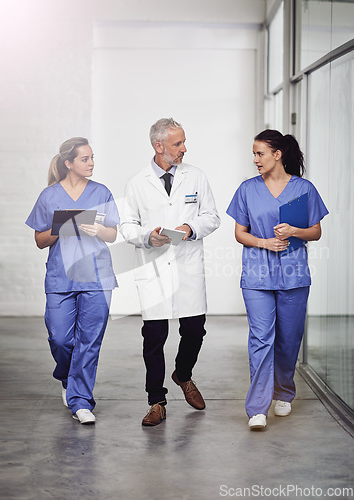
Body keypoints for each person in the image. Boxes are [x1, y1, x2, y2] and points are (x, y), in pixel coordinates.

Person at [119, 118, 220, 426]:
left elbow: (212, 217)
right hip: (154, 269)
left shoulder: (196, 177)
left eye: (183, 142)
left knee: (194, 330)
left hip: (187, 266)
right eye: (177, 144)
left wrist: (191, 227)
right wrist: (147, 237)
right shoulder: (137, 182)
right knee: (154, 337)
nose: (184, 149)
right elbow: (127, 227)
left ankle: (183, 374)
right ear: (158, 146)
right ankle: (156, 402)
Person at [226, 129, 328, 431]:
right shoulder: (247, 189)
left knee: (287, 339)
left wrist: (294, 232)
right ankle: (257, 407)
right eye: (254, 154)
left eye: (260, 153)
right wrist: (264, 243)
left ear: (277, 154)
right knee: (260, 339)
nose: (255, 159)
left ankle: (283, 392)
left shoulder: (304, 189)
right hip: (257, 275)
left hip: (294, 275)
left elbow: (316, 231)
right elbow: (239, 233)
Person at [26, 137, 119, 425]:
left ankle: (81, 401)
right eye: (85, 159)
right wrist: (62, 228)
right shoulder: (49, 196)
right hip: (60, 277)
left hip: (96, 276)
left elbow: (113, 234)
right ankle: (67, 377)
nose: (91, 163)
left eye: (92, 158)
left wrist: (98, 230)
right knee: (61, 338)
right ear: (68, 163)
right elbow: (40, 240)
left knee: (89, 341)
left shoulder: (101, 192)